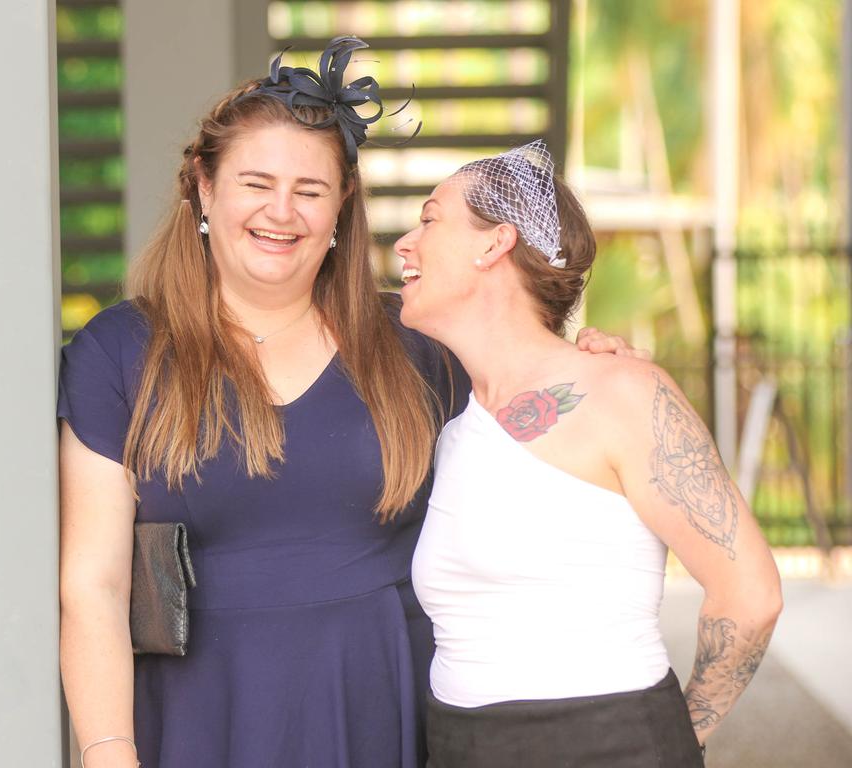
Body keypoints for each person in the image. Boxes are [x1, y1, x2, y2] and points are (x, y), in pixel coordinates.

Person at [58, 39, 634, 768]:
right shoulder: (119, 351)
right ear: (203, 189)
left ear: (341, 209)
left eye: (310, 190)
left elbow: (543, 403)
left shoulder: (419, 342)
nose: (282, 212)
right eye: (255, 183)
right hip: (197, 712)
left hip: (384, 700)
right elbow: (93, 584)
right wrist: (109, 753)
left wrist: (595, 367)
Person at [400, 141, 783, 768]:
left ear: (494, 243)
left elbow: (751, 594)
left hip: (603, 743)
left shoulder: (623, 392)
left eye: (430, 218)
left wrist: (676, 742)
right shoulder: (456, 422)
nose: (404, 244)